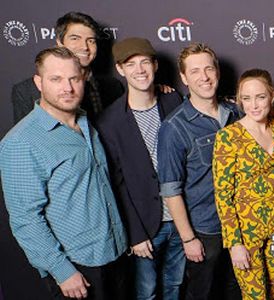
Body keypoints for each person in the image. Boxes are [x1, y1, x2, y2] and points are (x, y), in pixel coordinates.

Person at [0, 47, 127, 299]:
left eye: (74, 79)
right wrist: (62, 271)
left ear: (83, 80)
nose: (67, 88)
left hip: (115, 252)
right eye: (56, 79)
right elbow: (26, 219)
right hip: (78, 267)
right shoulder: (21, 141)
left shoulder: (85, 122)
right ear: (39, 82)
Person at [95, 37, 183, 300]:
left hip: (180, 219)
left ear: (155, 65)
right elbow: (116, 184)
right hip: (146, 226)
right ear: (120, 70)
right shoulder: (109, 122)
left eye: (145, 62)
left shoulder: (173, 101)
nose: (140, 70)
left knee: (175, 285)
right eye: (131, 64)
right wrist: (134, 234)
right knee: (147, 292)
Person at [157, 43, 241, 300]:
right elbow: (171, 190)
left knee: (235, 293)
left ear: (217, 72)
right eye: (194, 71)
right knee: (202, 294)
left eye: (208, 69)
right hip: (206, 230)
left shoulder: (236, 113)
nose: (204, 77)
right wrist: (188, 239)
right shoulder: (174, 127)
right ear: (183, 78)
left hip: (239, 226)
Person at [213, 69, 274, 300]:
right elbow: (223, 194)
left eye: (260, 97)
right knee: (255, 296)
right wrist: (234, 243)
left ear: (272, 96)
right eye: (246, 98)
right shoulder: (228, 137)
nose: (253, 105)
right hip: (246, 232)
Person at [11, 11, 123, 123]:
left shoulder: (114, 87)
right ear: (60, 43)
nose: (84, 47)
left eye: (90, 41)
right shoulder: (27, 91)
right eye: (75, 38)